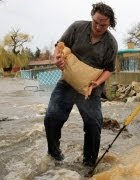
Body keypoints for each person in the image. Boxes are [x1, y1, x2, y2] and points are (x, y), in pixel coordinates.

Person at [44, 2, 118, 167]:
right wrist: (57, 58)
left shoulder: (111, 44)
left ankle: (89, 163)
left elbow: (109, 69)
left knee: (94, 124)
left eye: (103, 24)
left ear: (110, 23)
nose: (98, 27)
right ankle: (55, 155)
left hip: (90, 89)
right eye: (96, 22)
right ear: (92, 16)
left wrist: (96, 82)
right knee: (52, 117)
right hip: (67, 83)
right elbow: (60, 45)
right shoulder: (77, 27)